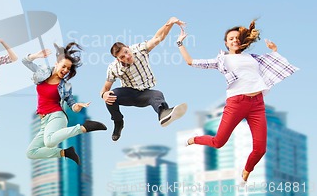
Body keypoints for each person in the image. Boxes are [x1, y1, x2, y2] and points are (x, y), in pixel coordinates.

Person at [176, 20, 298, 184]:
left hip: (257, 104)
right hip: (236, 103)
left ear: (242, 41)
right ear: (226, 43)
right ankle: (194, 139)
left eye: (236, 38)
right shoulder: (222, 60)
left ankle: (246, 171)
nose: (234, 40)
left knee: (260, 149)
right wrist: (180, 43)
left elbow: (271, 63)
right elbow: (191, 62)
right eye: (231, 38)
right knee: (218, 142)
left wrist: (274, 50)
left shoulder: (253, 58)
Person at [100, 17, 187, 141]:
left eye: (126, 51)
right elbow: (105, 88)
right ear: (118, 59)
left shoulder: (140, 49)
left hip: (144, 94)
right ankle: (118, 122)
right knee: (111, 95)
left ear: (128, 47)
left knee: (157, 94)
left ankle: (164, 113)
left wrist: (169, 23)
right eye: (122, 57)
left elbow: (158, 37)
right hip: (128, 94)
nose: (127, 56)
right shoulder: (114, 68)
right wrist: (104, 95)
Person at [23, 43, 107, 165]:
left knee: (50, 142)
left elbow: (72, 104)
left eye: (68, 69)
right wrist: (36, 55)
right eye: (64, 67)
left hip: (57, 116)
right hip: (44, 120)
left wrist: (78, 106)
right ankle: (66, 153)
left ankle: (84, 127)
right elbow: (25, 61)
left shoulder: (65, 86)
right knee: (31, 152)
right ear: (57, 64)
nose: (66, 70)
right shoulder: (43, 73)